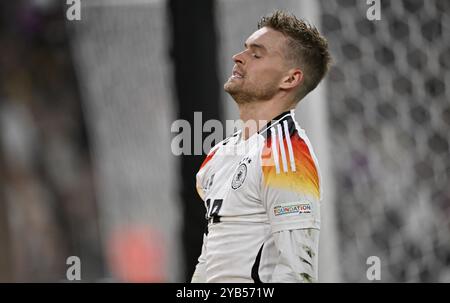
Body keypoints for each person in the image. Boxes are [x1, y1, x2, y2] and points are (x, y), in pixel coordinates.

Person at [191, 10, 331, 283]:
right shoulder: (219, 156)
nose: (238, 57)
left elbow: (296, 273)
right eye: (245, 49)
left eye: (256, 54)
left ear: (290, 79)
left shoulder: (287, 155)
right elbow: (209, 259)